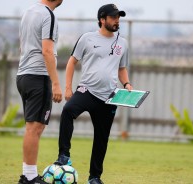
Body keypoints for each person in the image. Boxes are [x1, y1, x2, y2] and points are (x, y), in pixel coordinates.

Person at [54, 4, 133, 184]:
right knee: (68, 111)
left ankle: (94, 177)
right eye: (113, 17)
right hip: (86, 90)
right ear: (102, 19)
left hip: (110, 96)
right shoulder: (87, 38)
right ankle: (64, 155)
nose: (117, 20)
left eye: (118, 17)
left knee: (101, 137)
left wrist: (127, 83)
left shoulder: (123, 43)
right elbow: (71, 62)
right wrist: (68, 88)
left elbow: (122, 68)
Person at [16, 0, 63, 183]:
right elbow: (47, 51)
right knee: (34, 128)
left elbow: (22, 46)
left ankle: (29, 175)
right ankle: (29, 177)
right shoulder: (48, 15)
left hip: (24, 75)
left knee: (34, 127)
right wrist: (56, 84)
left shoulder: (29, 12)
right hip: (38, 76)